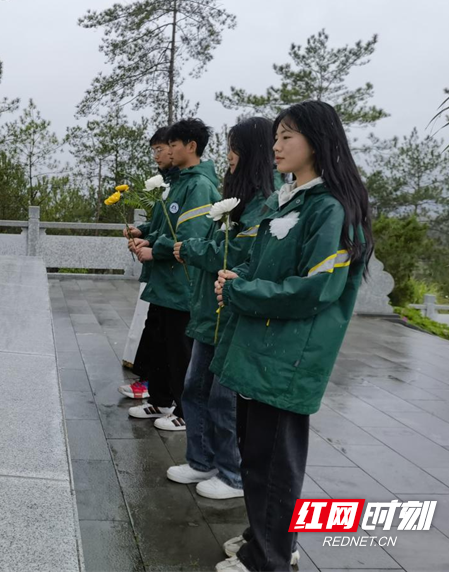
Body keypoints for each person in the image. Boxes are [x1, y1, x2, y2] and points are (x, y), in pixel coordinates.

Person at [212, 101, 374, 572]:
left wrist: (242, 291)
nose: (276, 146)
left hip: (288, 357)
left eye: (287, 136)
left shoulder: (330, 208)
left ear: (317, 142)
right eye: (276, 137)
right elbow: (265, 265)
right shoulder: (290, 200)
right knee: (257, 456)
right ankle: (264, 538)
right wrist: (237, 276)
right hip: (262, 349)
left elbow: (316, 288)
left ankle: (270, 558)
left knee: (273, 463)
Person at [168, 117, 274, 499]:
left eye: (234, 147)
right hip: (208, 310)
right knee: (194, 389)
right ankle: (202, 460)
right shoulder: (237, 197)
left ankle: (232, 474)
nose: (229, 155)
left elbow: (239, 253)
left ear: (251, 152)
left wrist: (190, 249)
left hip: (229, 313)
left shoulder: (264, 204)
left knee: (222, 399)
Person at [128, 118, 221, 431]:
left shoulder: (200, 186)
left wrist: (155, 250)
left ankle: (184, 410)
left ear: (190, 147)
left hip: (182, 283)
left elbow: (191, 236)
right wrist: (147, 238)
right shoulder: (180, 183)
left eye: (172, 145)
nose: (166, 151)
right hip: (165, 281)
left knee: (180, 349)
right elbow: (165, 228)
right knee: (160, 344)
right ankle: (160, 399)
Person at [118, 126, 177, 400]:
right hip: (160, 272)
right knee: (154, 329)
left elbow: (183, 234)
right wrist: (143, 232)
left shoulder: (194, 186)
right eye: (154, 150)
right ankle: (152, 388)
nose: (157, 155)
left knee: (165, 337)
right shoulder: (170, 184)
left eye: (161, 149)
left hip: (172, 275)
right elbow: (162, 224)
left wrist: (152, 245)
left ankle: (163, 395)